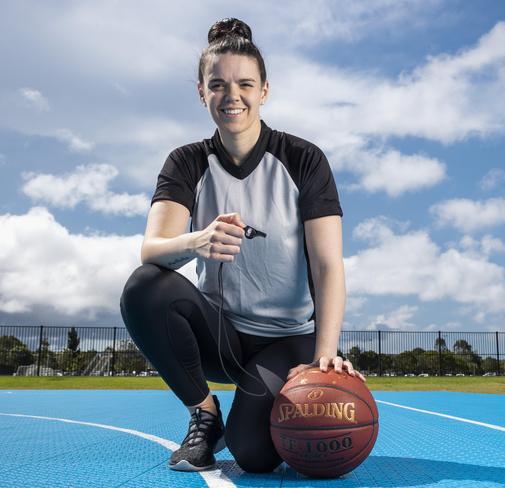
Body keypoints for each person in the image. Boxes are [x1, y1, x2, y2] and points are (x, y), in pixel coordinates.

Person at [119, 17, 365, 474]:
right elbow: (152, 250)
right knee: (144, 287)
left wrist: (324, 354)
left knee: (254, 454)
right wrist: (199, 240)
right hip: (222, 334)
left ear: (264, 90)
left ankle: (247, 419)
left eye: (245, 84)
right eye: (218, 84)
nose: (233, 95)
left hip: (287, 340)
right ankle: (204, 413)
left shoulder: (303, 159)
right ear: (202, 92)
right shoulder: (187, 161)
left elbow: (328, 267)